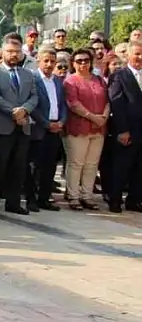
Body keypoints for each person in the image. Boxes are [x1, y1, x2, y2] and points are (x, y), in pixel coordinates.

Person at [0, 38, 39, 216]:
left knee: (19, 166)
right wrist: (13, 111)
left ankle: (13, 202)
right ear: (3, 52)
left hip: (22, 127)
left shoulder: (28, 74)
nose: (13, 55)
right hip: (1, 127)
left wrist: (24, 111)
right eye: (9, 51)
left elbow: (34, 97)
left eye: (17, 52)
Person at [63, 47, 108, 211]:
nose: (83, 64)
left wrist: (103, 116)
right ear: (73, 63)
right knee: (76, 163)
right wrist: (92, 116)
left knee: (92, 164)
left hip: (99, 128)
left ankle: (87, 196)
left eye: (86, 61)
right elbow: (73, 104)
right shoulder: (70, 81)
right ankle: (73, 196)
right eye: (79, 61)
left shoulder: (99, 80)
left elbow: (108, 99)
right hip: (78, 127)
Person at [27, 47, 67, 212]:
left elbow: (63, 104)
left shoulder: (58, 81)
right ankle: (31, 199)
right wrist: (45, 123)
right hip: (38, 128)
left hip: (55, 128)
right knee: (35, 166)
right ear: (39, 61)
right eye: (46, 61)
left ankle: (44, 198)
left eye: (53, 61)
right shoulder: (33, 79)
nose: (50, 64)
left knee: (50, 166)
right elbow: (33, 105)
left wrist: (62, 121)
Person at [106, 39, 142, 213]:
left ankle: (134, 200)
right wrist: (122, 130)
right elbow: (116, 103)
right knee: (122, 166)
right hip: (127, 129)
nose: (140, 57)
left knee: (139, 168)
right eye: (137, 54)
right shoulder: (119, 75)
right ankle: (115, 199)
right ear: (128, 55)